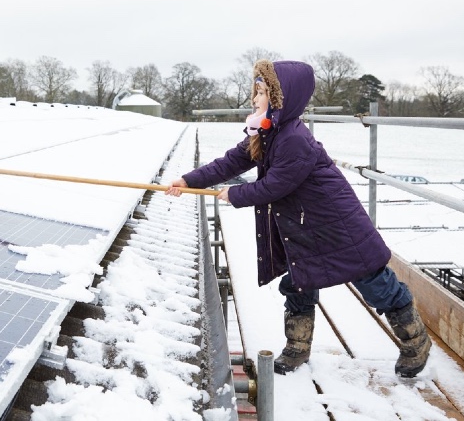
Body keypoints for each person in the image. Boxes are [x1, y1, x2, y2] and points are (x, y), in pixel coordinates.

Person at [166, 59, 431, 377]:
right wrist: (189, 180)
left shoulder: (293, 138)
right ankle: (298, 347)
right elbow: (233, 160)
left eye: (262, 92)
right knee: (298, 281)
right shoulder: (267, 131)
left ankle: (416, 343)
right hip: (306, 226)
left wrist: (236, 195)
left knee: (375, 283)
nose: (255, 98)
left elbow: (276, 185)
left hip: (337, 224)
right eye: (256, 90)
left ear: (281, 98)